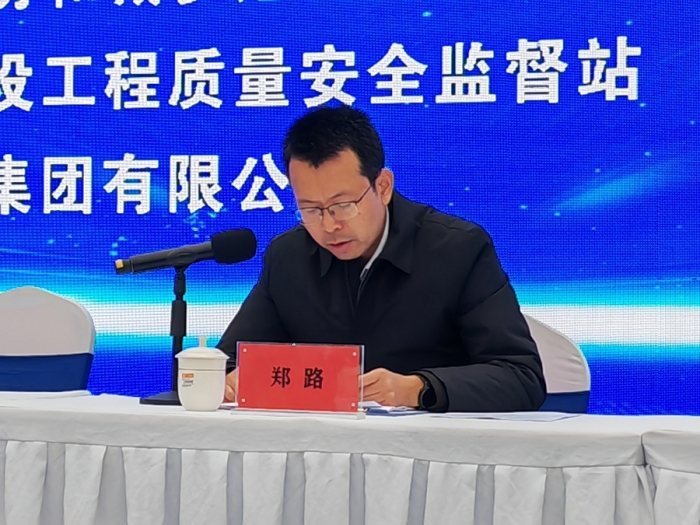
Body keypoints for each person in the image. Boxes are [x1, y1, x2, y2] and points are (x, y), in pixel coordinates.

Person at [217, 105, 546, 412]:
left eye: (343, 205)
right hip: (318, 445)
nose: (329, 226)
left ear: (383, 187)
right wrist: (228, 381)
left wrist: (417, 388)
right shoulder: (288, 256)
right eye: (311, 209)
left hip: (427, 447)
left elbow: (521, 377)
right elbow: (228, 362)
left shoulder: (458, 249)